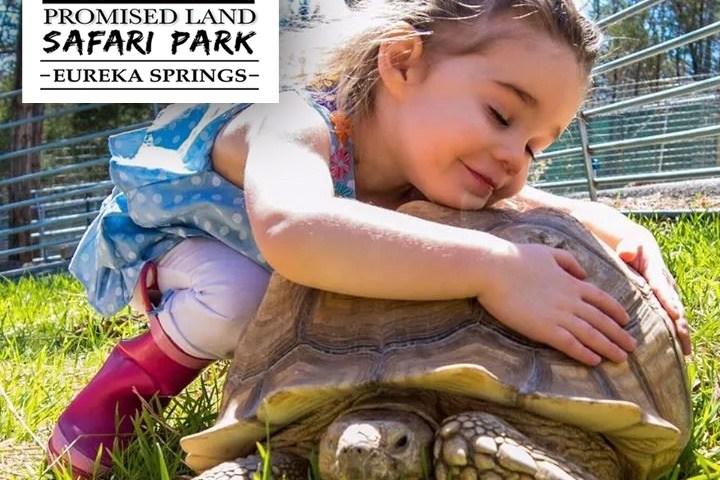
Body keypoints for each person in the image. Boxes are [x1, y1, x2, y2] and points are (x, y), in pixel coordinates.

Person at [47, 0, 691, 477]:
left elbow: (528, 199)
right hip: (188, 250)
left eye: (533, 145)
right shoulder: (293, 123)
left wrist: (619, 228)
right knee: (243, 292)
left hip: (294, 261)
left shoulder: (438, 155)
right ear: (402, 62)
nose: (511, 158)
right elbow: (295, 229)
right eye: (500, 114)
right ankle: (109, 406)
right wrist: (496, 267)